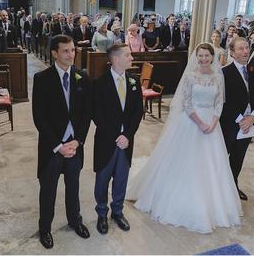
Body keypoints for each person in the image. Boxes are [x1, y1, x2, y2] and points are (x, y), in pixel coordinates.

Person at [127, 43, 242, 234]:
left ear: (212, 57)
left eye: (207, 56)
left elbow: (219, 102)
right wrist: (200, 123)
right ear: (196, 57)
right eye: (201, 56)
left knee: (211, 166)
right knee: (185, 162)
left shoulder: (217, 76)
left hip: (212, 125)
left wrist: (213, 122)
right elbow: (187, 103)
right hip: (191, 122)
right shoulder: (190, 76)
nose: (204, 59)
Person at [32, 35, 92, 249]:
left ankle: (75, 220)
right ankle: (45, 228)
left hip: (74, 146)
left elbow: (86, 114)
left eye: (73, 50)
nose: (71, 55)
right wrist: (58, 145)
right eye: (66, 51)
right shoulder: (42, 78)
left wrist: (78, 141)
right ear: (54, 53)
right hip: (52, 147)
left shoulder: (81, 77)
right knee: (48, 190)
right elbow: (40, 117)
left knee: (73, 187)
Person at [93, 43, 143, 235]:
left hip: (126, 142)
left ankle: (118, 212)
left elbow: (138, 111)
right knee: (103, 179)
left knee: (121, 178)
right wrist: (117, 136)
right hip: (107, 141)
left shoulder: (133, 81)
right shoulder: (100, 83)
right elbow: (97, 114)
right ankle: (101, 213)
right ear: (115, 59)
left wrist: (127, 136)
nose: (132, 58)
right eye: (128, 55)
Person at [220, 37, 254, 201]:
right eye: (240, 48)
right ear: (232, 52)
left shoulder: (253, 70)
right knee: (222, 156)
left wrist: (253, 116)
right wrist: (240, 119)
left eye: (246, 48)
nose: (245, 51)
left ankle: (233, 186)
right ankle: (217, 187)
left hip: (248, 125)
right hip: (230, 124)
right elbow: (224, 100)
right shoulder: (225, 72)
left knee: (238, 158)